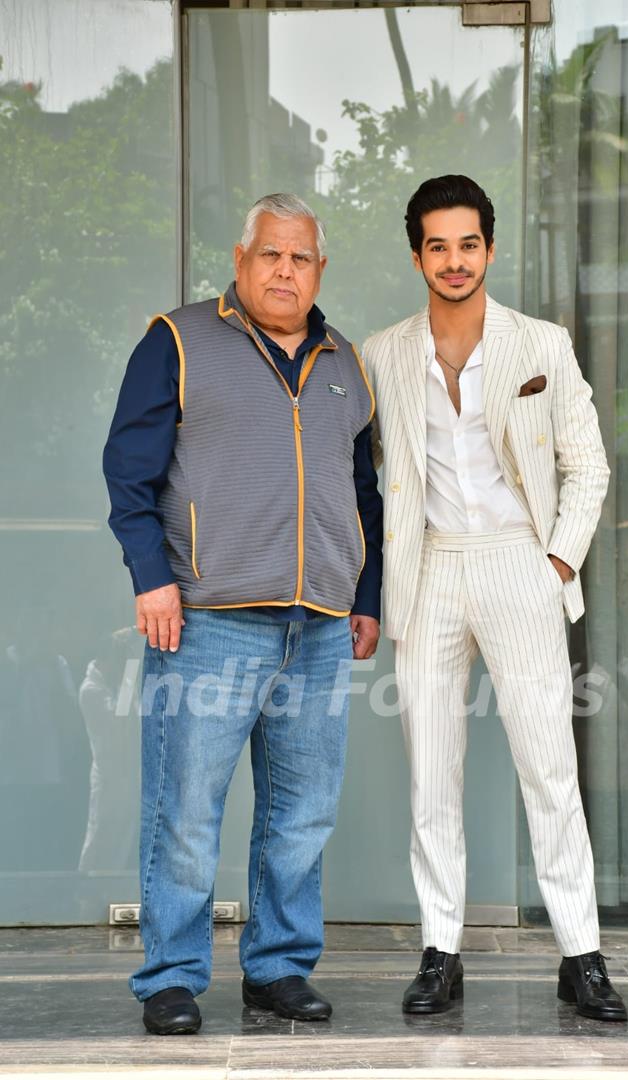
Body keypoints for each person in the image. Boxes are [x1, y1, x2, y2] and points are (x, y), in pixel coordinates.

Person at [103, 193, 382, 1035]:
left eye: (300, 258)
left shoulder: (346, 362)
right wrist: (152, 578)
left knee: (302, 813)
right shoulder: (178, 341)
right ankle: (172, 976)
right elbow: (129, 471)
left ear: (319, 269)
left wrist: (363, 598)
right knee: (185, 809)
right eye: (270, 255)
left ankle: (279, 969)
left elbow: (362, 488)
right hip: (209, 620)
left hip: (322, 627)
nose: (285, 271)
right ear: (241, 258)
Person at [362, 175, 626, 1022]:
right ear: (416, 256)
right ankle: (442, 950)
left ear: (491, 249)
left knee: (548, 765)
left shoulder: (541, 344)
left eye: (467, 243)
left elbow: (587, 466)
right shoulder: (381, 353)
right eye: (436, 246)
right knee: (431, 772)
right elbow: (367, 479)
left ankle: (580, 954)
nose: (453, 260)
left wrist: (552, 564)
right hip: (429, 566)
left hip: (520, 559)